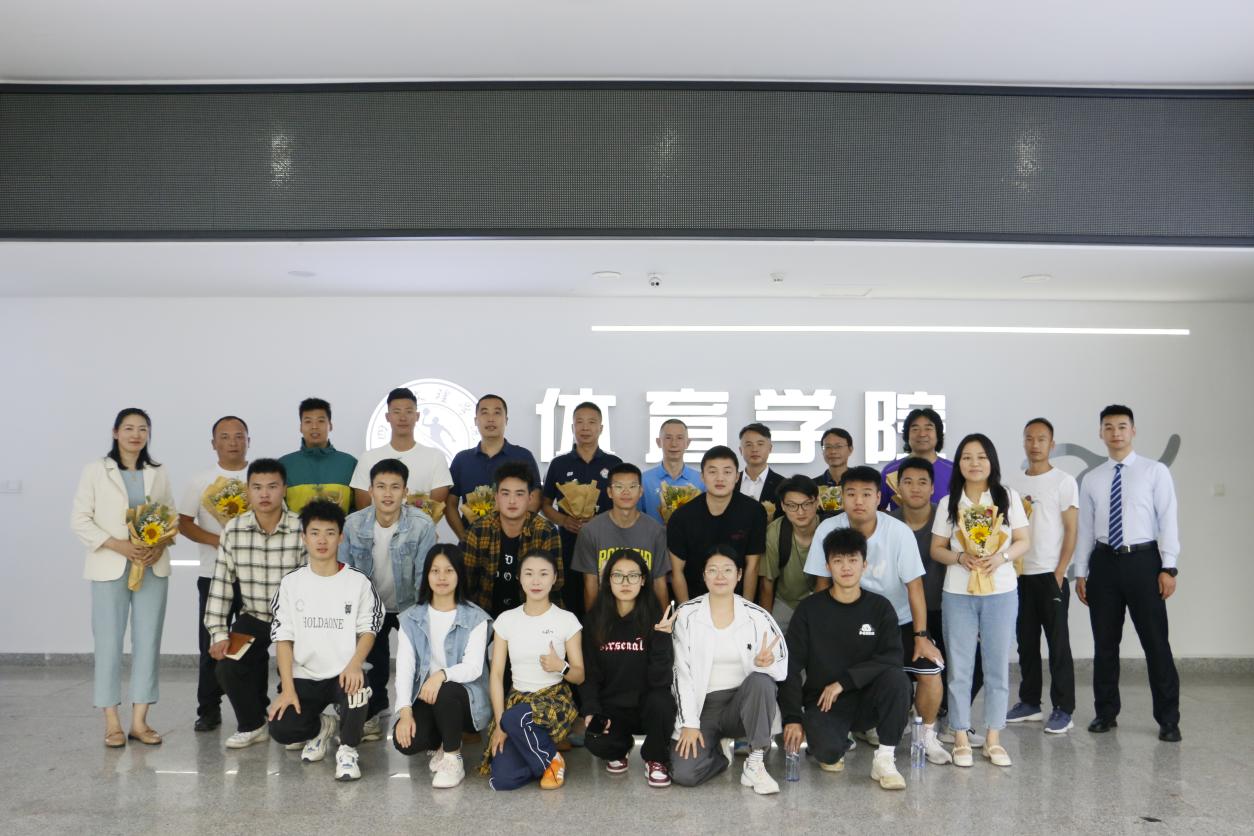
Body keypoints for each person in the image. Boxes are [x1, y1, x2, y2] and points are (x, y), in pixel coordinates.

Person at [804, 466, 950, 765]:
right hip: (845, 623)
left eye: (866, 494)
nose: (859, 501)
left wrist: (921, 636)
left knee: (930, 669)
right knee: (832, 668)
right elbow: (821, 584)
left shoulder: (898, 532)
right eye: (851, 494)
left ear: (879, 498)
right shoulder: (827, 529)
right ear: (841, 497)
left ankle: (926, 735)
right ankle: (844, 726)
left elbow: (915, 587)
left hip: (896, 622)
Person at [1075, 405, 1181, 742]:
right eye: (1109, 427)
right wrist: (1081, 572)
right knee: (1105, 644)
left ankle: (1168, 719)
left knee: (1156, 643)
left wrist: (1169, 566)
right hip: (1104, 563)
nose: (1116, 433)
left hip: (1143, 562)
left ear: (1133, 431)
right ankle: (1105, 713)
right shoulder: (1092, 479)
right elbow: (1085, 528)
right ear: (1101, 433)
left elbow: (1168, 519)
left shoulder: (1155, 471)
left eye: (1122, 426)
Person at [72, 407, 175, 748]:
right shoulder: (95, 471)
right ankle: (112, 722)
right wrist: (119, 545)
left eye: (142, 429)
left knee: (148, 641)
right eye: (129, 428)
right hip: (109, 565)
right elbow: (80, 519)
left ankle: (140, 722)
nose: (136, 435)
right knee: (108, 643)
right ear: (115, 432)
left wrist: (159, 546)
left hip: (152, 567)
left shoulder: (158, 472)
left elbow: (170, 517)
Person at [782, 528, 911, 789]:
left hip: (868, 699)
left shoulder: (880, 607)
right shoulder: (809, 610)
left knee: (898, 680)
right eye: (838, 561)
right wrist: (792, 717)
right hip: (824, 702)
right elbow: (790, 667)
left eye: (853, 560)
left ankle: (885, 759)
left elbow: (892, 657)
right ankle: (832, 738)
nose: (846, 567)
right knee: (829, 756)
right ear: (828, 566)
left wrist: (844, 682)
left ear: (864, 565)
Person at [929, 434, 1030, 768]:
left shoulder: (1007, 497)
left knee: (997, 666)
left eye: (981, 456)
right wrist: (960, 558)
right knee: (959, 668)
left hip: (1001, 591)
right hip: (958, 593)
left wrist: (1000, 558)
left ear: (992, 462)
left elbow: (1023, 540)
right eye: (967, 457)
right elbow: (936, 549)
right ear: (958, 463)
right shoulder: (949, 502)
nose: (974, 463)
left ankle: (993, 738)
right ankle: (960, 735)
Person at [267, 500, 383, 781]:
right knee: (281, 728)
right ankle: (323, 727)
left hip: (343, 673)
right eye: (315, 533)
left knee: (357, 690)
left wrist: (355, 665)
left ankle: (347, 750)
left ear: (340, 537)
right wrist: (287, 688)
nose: (322, 540)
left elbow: (368, 630)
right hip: (305, 675)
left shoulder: (358, 582)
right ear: (304, 537)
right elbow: (283, 639)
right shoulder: (291, 583)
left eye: (330, 533)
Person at [205, 458, 307, 749]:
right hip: (255, 616)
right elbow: (221, 583)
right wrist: (218, 633)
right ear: (248, 490)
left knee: (300, 672)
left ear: (284, 489)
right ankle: (253, 724)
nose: (265, 494)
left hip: (295, 620)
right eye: (257, 487)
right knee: (227, 664)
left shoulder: (301, 528)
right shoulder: (234, 530)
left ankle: (298, 723)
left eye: (272, 487)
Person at [670, 545, 788, 795]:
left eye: (727, 570)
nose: (720, 576)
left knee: (762, 680)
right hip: (704, 707)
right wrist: (689, 723)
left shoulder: (757, 616)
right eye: (712, 570)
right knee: (684, 773)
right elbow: (680, 673)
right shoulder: (687, 615)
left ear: (739, 574)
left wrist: (766, 664)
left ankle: (755, 762)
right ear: (703, 575)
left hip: (743, 705)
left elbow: (781, 663)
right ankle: (720, 755)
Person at [340, 458, 438, 742]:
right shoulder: (353, 524)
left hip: (410, 603)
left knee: (417, 660)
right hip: (370, 606)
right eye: (381, 486)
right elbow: (345, 575)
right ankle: (374, 711)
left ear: (405, 492)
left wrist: (421, 617)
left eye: (395, 487)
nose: (387, 493)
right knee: (374, 660)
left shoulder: (422, 525)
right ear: (370, 490)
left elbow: (424, 576)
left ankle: (418, 714)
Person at [889, 456, 982, 736]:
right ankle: (907, 710)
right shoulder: (887, 523)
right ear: (898, 488)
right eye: (908, 482)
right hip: (902, 614)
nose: (915, 488)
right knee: (897, 667)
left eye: (922, 482)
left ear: (932, 488)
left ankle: (951, 717)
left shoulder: (948, 519)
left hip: (945, 608)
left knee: (973, 662)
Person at [482, 551, 585, 790]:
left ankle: (550, 759)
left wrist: (561, 666)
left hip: (554, 701)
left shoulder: (566, 620)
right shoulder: (506, 620)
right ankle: (544, 757)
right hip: (518, 703)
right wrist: (499, 725)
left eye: (543, 574)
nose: (536, 581)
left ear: (554, 578)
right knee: (502, 780)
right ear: (519, 578)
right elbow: (496, 675)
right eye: (529, 574)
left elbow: (579, 676)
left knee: (514, 718)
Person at [393, 544, 493, 789]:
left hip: (466, 701)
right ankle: (442, 742)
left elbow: (473, 667)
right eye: (435, 571)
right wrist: (405, 712)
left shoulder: (476, 618)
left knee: (446, 690)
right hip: (428, 697)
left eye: (449, 571)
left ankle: (452, 758)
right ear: (426, 575)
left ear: (459, 575)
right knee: (406, 741)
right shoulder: (411, 618)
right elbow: (405, 668)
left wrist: (441, 675)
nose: (441, 577)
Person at [1005, 418, 1078, 734]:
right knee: (1026, 642)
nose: (1034, 444)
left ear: (1051, 444)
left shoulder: (1063, 481)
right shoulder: (1012, 484)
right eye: (1029, 438)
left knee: (1058, 644)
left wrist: (1061, 570)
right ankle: (1030, 702)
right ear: (1023, 442)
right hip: (1020, 575)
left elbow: (1072, 529)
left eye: (1041, 439)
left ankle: (1064, 709)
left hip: (1050, 574)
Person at [581, 550, 678, 787]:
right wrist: (592, 709)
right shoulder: (594, 620)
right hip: (613, 708)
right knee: (595, 741)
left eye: (633, 576)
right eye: (618, 575)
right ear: (608, 580)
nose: (625, 582)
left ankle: (655, 758)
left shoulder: (656, 619)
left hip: (646, 707)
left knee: (663, 702)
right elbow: (590, 673)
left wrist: (662, 638)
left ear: (643, 580)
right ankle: (620, 748)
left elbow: (661, 680)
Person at [178, 414, 249, 733]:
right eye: (225, 436)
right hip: (213, 574)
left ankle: (252, 708)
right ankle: (208, 709)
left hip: (252, 576)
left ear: (248, 440)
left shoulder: (258, 476)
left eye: (239, 435)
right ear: (213, 443)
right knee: (211, 644)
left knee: (250, 644)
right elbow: (184, 523)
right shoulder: (200, 480)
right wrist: (218, 540)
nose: (233, 442)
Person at [541, 401, 623, 622]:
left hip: (605, 544)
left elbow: (623, 504)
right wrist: (563, 520)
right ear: (572, 427)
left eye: (591, 422)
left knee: (606, 600)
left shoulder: (614, 464)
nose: (585, 427)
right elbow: (545, 504)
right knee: (569, 600)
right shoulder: (559, 464)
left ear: (601, 428)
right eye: (579, 422)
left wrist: (600, 521)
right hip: (567, 544)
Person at [667, 446, 767, 603]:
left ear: (737, 476)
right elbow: (676, 572)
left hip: (737, 601)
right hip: (695, 601)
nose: (720, 478)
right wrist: (686, 611)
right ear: (702, 476)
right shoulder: (682, 517)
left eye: (727, 472)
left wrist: (746, 609)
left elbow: (752, 566)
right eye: (712, 472)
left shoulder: (754, 511)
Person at [464, 462, 563, 618]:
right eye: (505, 494)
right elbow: (465, 584)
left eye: (519, 494)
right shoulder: (478, 530)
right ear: (496, 497)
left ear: (530, 498)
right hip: (484, 618)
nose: (512, 501)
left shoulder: (545, 531)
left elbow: (555, 585)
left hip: (532, 619)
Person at [572, 462, 671, 611]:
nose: (626, 492)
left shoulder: (656, 531)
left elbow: (659, 583)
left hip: (645, 614)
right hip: (606, 614)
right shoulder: (590, 531)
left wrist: (665, 621)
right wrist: (593, 622)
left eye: (632, 486)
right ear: (609, 492)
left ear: (641, 491)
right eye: (619, 487)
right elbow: (590, 584)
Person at [445, 393, 542, 541]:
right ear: (476, 420)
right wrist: (464, 538)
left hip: (516, 543)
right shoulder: (462, 459)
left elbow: (535, 498)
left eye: (497, 413)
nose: (491, 419)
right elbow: (450, 504)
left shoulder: (523, 456)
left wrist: (515, 532)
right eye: (484, 413)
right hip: (473, 543)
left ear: (506, 420)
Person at [351, 387, 453, 511]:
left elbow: (435, 509)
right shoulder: (368, 458)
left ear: (417, 416)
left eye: (409, 412)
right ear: (387, 417)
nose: (403, 418)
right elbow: (363, 508)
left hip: (421, 524)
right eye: (396, 412)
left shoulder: (435, 457)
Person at [757, 475, 821, 631]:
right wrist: (767, 625)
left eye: (806, 504)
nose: (800, 512)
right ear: (783, 506)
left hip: (822, 602)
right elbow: (767, 583)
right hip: (786, 603)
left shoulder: (828, 528)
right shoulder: (775, 533)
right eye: (792, 505)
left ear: (817, 502)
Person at [279, 397, 357, 513]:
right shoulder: (284, 465)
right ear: (300, 427)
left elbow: (358, 512)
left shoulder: (349, 463)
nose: (314, 426)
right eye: (308, 421)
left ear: (330, 425)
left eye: (321, 421)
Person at [879, 408, 953, 511]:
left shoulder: (954, 471)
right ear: (907, 435)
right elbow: (877, 510)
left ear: (938, 434)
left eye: (928, 428)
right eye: (915, 429)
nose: (922, 434)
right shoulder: (890, 472)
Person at [640, 418, 704, 524]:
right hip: (653, 535)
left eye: (680, 438)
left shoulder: (701, 480)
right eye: (668, 438)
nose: (674, 444)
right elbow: (636, 518)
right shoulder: (644, 480)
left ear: (687, 443)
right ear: (658, 442)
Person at [737, 423, 784, 512]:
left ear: (770, 448)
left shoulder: (783, 485)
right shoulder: (731, 482)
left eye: (760, 444)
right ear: (740, 450)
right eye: (749, 444)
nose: (755, 449)